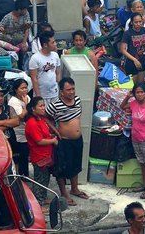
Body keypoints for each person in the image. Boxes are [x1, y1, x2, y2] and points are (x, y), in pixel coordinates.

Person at [46, 78, 89, 206]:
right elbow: (45, 118)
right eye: (68, 90)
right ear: (61, 92)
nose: (71, 92)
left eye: (73, 89)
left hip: (77, 140)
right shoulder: (55, 105)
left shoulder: (77, 100)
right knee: (62, 168)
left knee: (75, 166)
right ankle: (64, 193)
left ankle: (74, 189)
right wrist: (55, 130)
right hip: (64, 141)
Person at [122, 82, 145, 199]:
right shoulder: (133, 104)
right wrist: (128, 96)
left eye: (141, 92)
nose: (139, 95)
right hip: (135, 138)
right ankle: (144, 184)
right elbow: (122, 106)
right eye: (137, 92)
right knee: (142, 163)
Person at [25, 97, 57, 210]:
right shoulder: (32, 123)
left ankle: (42, 198)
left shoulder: (41, 119)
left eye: (44, 105)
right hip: (39, 156)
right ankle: (37, 203)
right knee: (39, 179)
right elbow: (39, 141)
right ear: (33, 109)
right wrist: (53, 140)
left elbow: (45, 135)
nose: (43, 108)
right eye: (40, 106)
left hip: (46, 155)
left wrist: (51, 137)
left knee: (45, 178)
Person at [29, 30, 61, 105]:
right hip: (42, 94)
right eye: (52, 42)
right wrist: (38, 96)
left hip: (54, 93)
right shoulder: (35, 58)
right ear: (45, 45)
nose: (55, 44)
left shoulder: (55, 55)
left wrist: (59, 89)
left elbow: (58, 73)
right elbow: (34, 79)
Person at [8, 78, 31, 176]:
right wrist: (25, 105)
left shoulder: (27, 97)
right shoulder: (13, 101)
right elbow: (21, 115)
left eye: (26, 88)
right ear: (16, 90)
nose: (24, 90)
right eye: (22, 88)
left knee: (25, 155)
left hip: (27, 130)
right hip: (17, 132)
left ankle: (25, 175)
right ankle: (20, 175)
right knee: (19, 155)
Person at [120, 13, 145, 84]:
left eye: (140, 22)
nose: (138, 24)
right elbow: (122, 50)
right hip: (131, 61)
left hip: (142, 59)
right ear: (132, 23)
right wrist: (134, 60)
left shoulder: (144, 30)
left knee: (140, 84)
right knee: (133, 85)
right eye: (136, 22)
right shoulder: (127, 33)